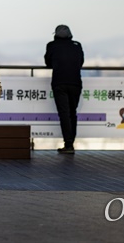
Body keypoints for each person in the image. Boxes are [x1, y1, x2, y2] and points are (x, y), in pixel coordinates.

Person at [44, 24, 85, 154]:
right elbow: (80, 62)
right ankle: (70, 144)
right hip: (75, 82)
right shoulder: (77, 45)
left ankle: (68, 144)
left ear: (55, 35)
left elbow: (48, 63)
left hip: (59, 82)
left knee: (64, 113)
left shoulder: (51, 45)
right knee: (72, 113)